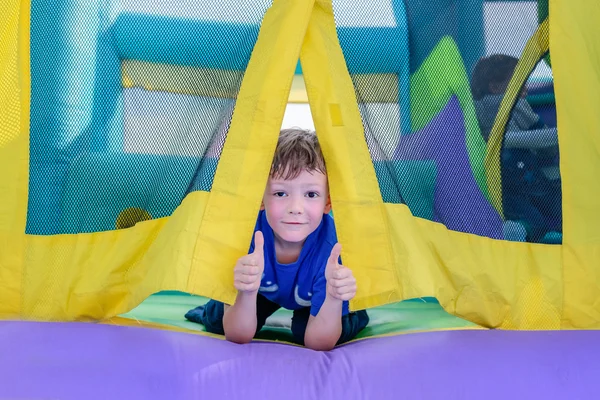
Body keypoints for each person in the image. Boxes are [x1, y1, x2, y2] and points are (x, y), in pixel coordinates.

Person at [186, 128, 369, 350]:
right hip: (262, 291)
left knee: (307, 332)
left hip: (315, 297)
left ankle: (354, 314)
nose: (295, 208)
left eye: (311, 194)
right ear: (260, 199)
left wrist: (333, 298)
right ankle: (215, 307)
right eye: (281, 193)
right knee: (217, 322)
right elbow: (237, 335)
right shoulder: (244, 236)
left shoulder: (332, 250)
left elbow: (318, 343)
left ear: (327, 203)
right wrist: (246, 291)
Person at [471, 54, 562, 242]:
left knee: (533, 222)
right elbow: (547, 143)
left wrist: (503, 139)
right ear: (495, 87)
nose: (526, 90)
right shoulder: (517, 105)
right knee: (563, 207)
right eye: (520, 83)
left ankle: (517, 231)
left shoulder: (474, 111)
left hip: (500, 190)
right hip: (534, 183)